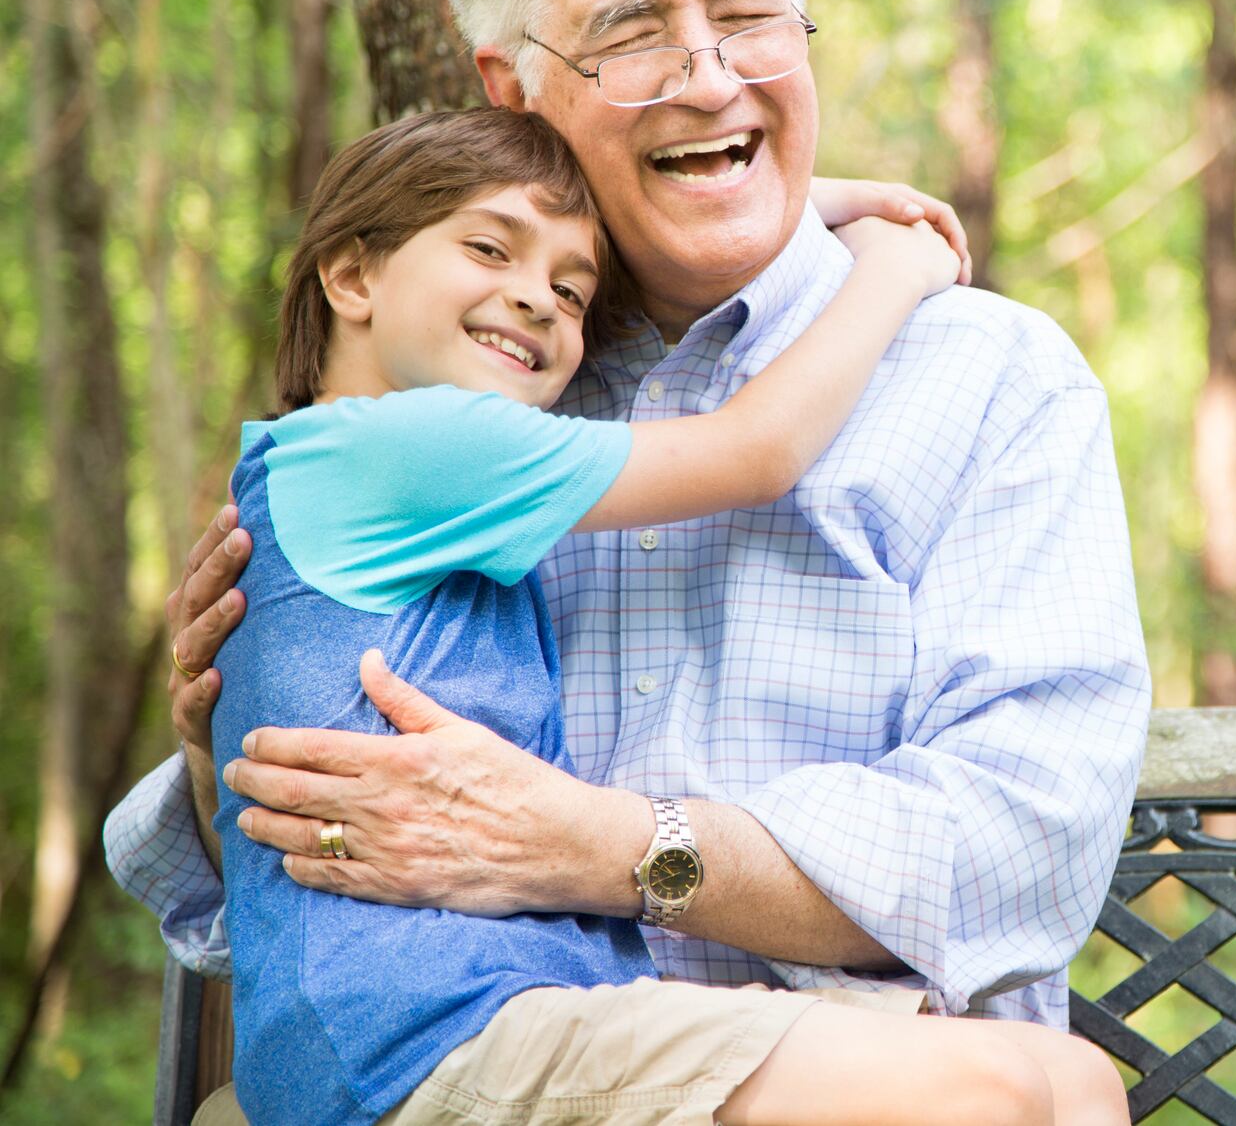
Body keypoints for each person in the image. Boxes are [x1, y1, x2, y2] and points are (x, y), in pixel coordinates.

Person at [106, 0, 1149, 1105]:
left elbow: (1019, 849)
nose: (708, 71)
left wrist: (602, 845)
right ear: (516, 91)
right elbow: (255, 898)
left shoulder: (994, 383)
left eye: (747, 12)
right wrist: (229, 731)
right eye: (631, 31)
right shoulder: (485, 394)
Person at [178, 104, 1119, 1124]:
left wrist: (805, 206)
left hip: (490, 1013)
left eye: (570, 289)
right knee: (986, 1090)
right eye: (489, 248)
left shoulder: (351, 462)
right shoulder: (417, 446)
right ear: (351, 277)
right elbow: (756, 449)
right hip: (418, 1037)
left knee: (1075, 1081)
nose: (535, 298)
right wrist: (891, 265)